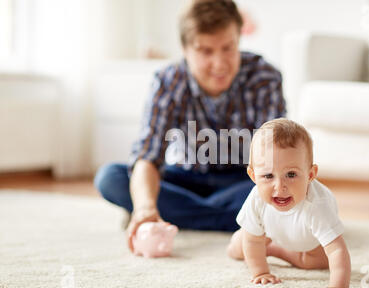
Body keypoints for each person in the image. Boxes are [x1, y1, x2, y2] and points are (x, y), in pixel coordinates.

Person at [93, 0, 286, 253]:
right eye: (206, 51)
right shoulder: (168, 81)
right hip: (185, 176)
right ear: (185, 49)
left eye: (228, 48)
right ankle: (242, 220)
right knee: (111, 178)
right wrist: (145, 208)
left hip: (245, 179)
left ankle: (183, 215)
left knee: (287, 188)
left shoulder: (264, 77)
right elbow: (148, 156)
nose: (219, 63)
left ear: (239, 41)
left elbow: (276, 158)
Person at [226, 118, 351, 288]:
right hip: (271, 231)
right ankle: (266, 245)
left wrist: (338, 286)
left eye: (291, 174)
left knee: (318, 262)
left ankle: (274, 249)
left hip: (310, 242)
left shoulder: (317, 205)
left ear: (310, 175)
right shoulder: (256, 198)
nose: (279, 186)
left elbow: (337, 250)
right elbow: (253, 241)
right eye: (268, 175)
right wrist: (260, 273)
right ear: (253, 176)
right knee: (239, 247)